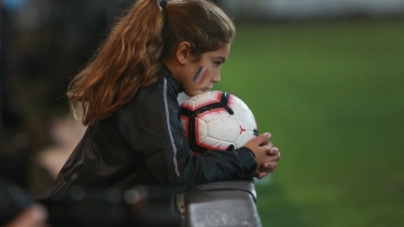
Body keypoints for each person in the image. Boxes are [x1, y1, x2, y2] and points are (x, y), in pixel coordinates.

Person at [49, 0, 280, 208]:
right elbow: (180, 172)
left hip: (87, 209)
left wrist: (249, 160)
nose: (217, 77)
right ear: (184, 52)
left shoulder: (155, 83)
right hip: (78, 214)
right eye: (215, 62)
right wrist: (246, 158)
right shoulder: (151, 92)